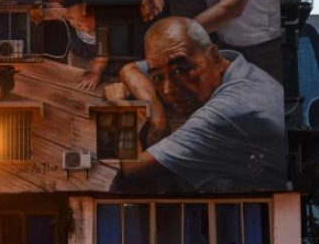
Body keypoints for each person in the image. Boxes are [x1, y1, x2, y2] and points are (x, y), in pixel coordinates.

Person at [112, 16, 286, 192]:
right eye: (158, 77)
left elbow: (133, 168)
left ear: (214, 57)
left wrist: (123, 117)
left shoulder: (224, 112)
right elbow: (130, 69)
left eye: (180, 71)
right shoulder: (230, 65)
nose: (167, 90)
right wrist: (156, 114)